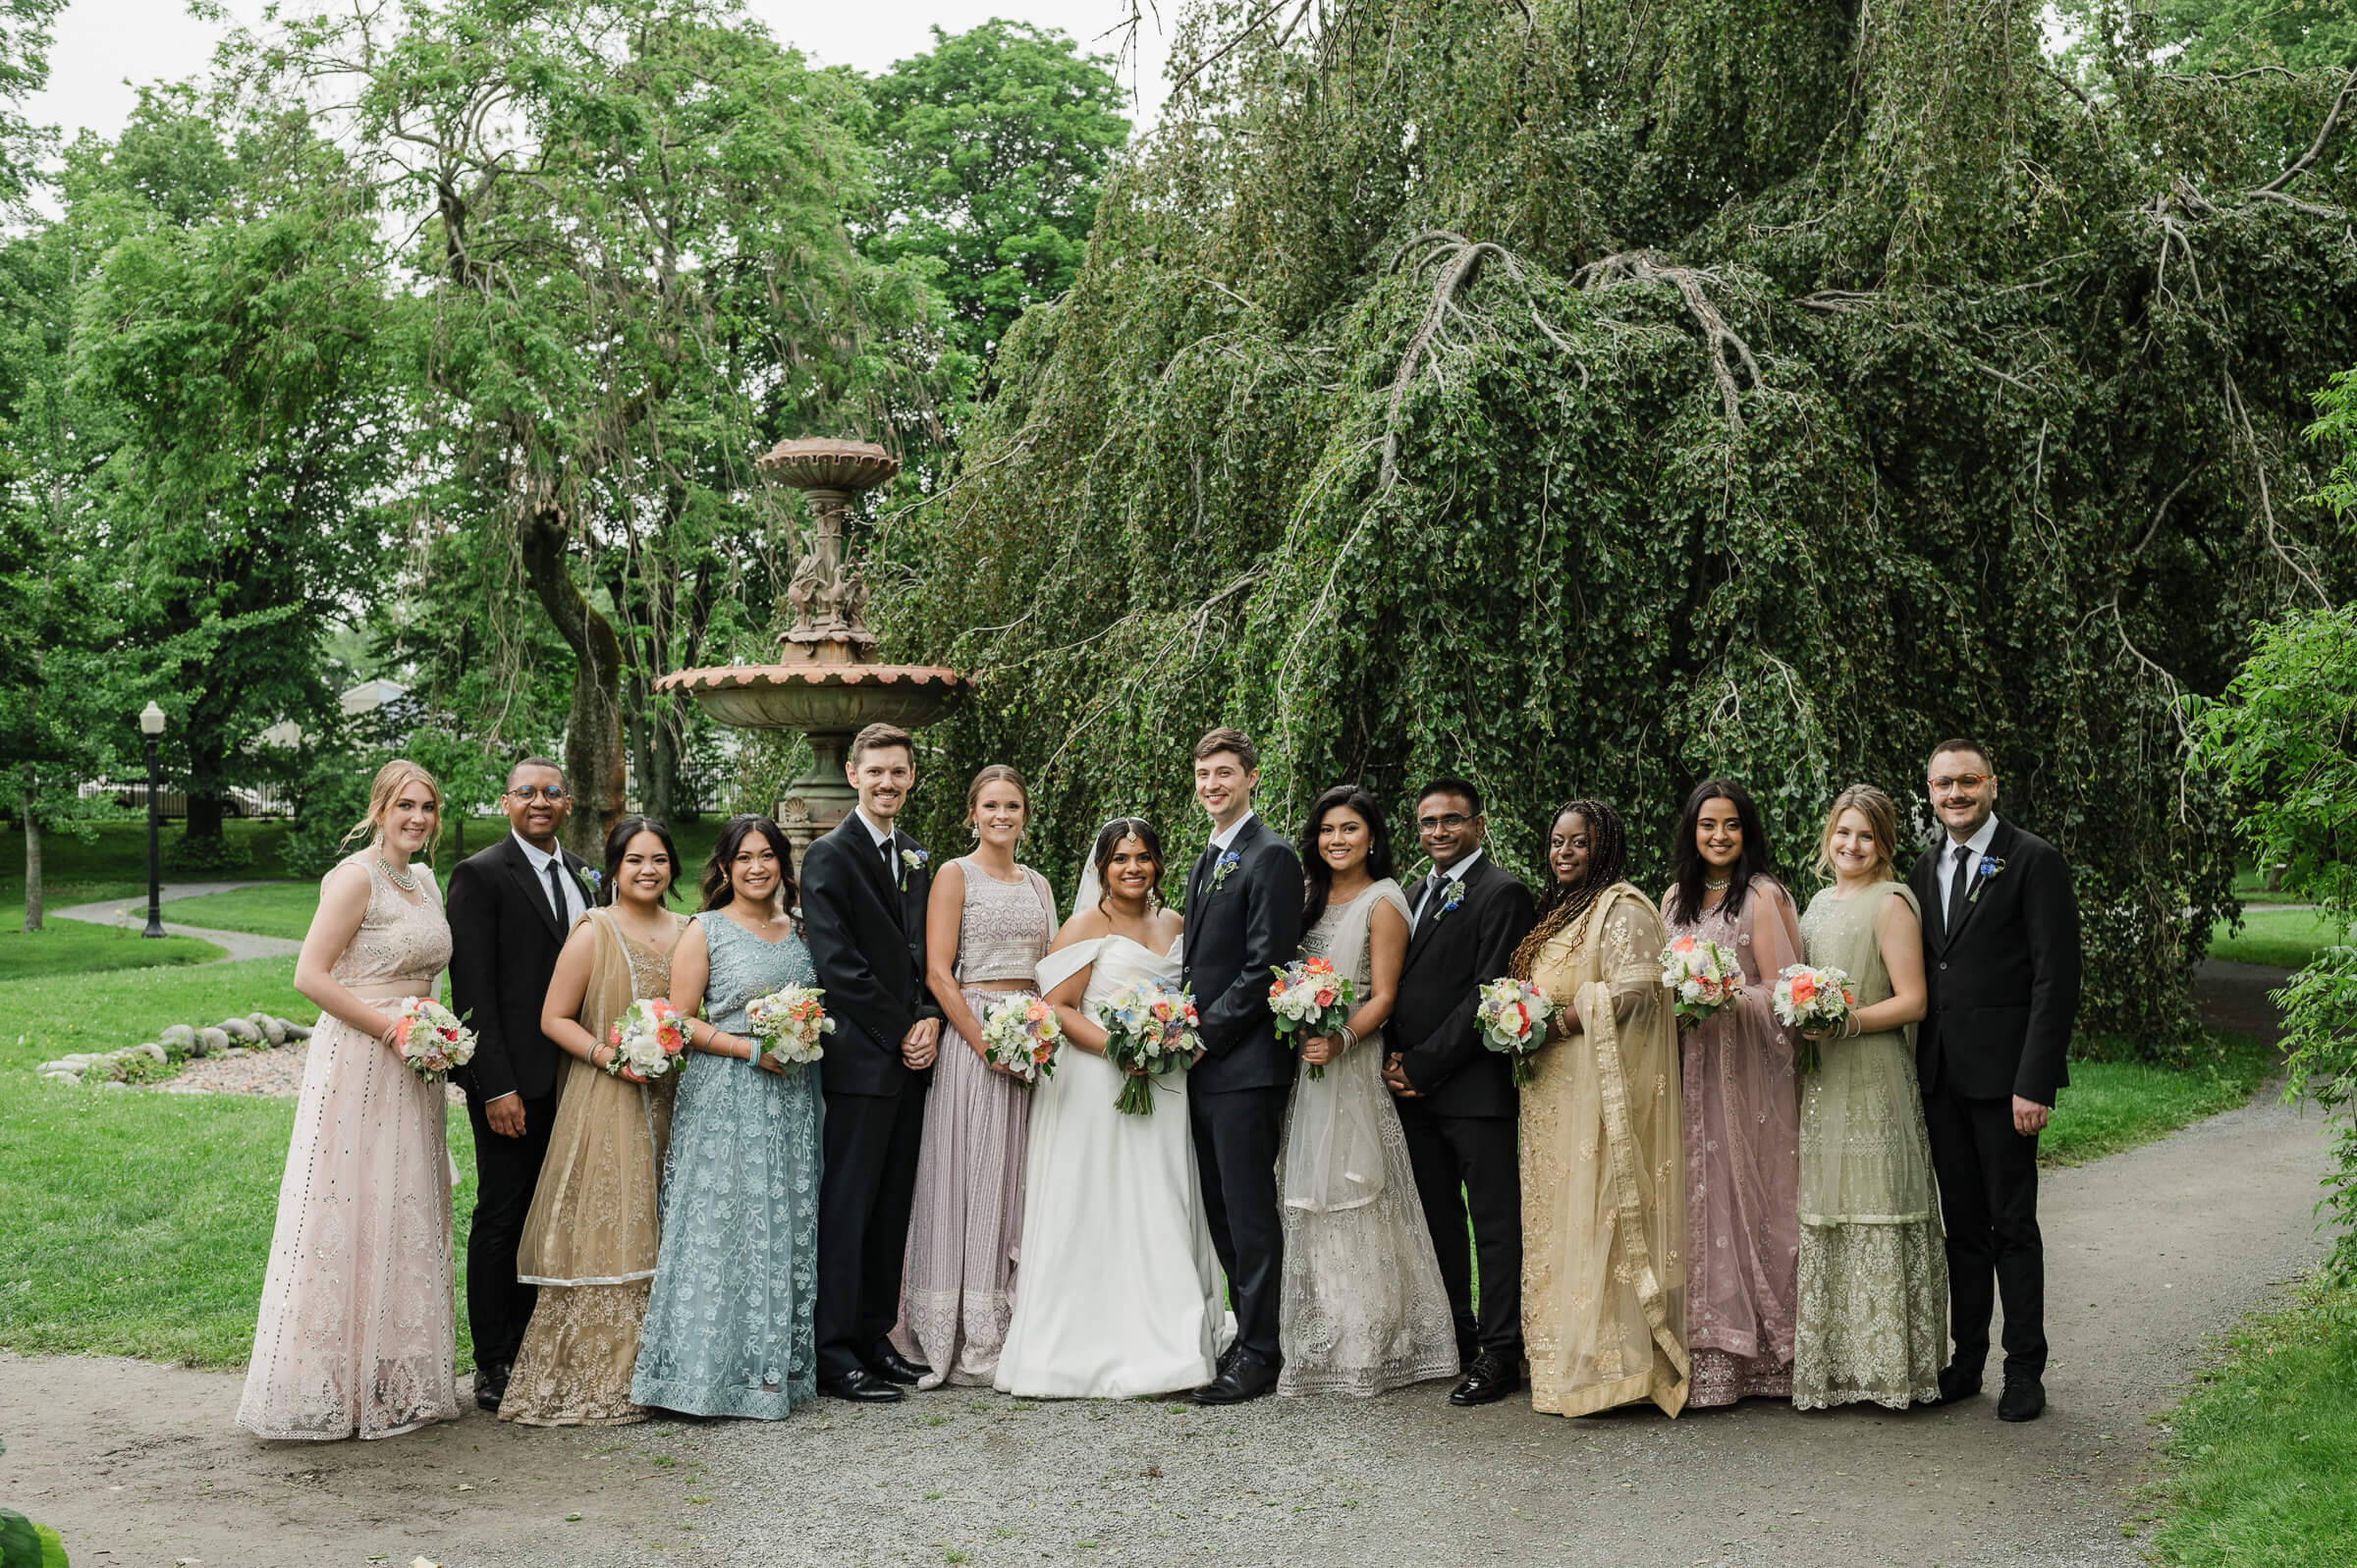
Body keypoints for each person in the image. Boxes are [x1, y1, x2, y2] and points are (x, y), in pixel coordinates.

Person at [238, 760, 460, 1440]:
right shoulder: (355, 877)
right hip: (361, 1061)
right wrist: (392, 1026)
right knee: (353, 1203)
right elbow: (310, 973)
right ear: (379, 807)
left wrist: (435, 1035)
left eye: (427, 806)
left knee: (405, 1203)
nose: (417, 817)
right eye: (405, 805)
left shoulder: (423, 880)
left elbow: (427, 972)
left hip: (414, 1066)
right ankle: (333, 1377)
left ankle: (391, 1372)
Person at [994, 820, 1225, 1398]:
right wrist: (1121, 1051)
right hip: (1098, 1086)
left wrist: (1162, 1044)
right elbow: (1059, 1006)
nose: (1133, 868)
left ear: (1158, 865)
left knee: (1160, 1197)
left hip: (1164, 1086)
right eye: (1121, 858)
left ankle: (1173, 1343)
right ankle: (1082, 1345)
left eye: (1144, 858)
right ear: (1102, 866)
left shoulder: (1175, 924)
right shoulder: (1085, 925)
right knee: (1099, 1201)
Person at [1909, 738, 2081, 1423]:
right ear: (1930, 790)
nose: (1957, 794)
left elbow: (2055, 979)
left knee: (2011, 1223)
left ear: (1991, 785)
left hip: (2008, 1080)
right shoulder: (1924, 869)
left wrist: (2034, 1081)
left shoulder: (2033, 861)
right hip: (1942, 1078)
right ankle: (1967, 1359)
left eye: (1968, 781)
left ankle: (2024, 1368)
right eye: (1944, 783)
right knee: (1964, 1230)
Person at [630, 816, 825, 1419]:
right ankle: (699, 1376)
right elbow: (679, 1021)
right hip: (727, 1092)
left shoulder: (798, 931)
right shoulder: (705, 930)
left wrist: (800, 1037)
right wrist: (750, 1049)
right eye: (744, 858)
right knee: (722, 1222)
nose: (757, 867)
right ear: (725, 868)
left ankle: (769, 1375)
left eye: (767, 856)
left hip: (791, 1094)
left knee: (782, 1219)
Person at [499, 817, 686, 1427]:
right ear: (613, 869)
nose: (648, 870)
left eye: (659, 860)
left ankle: (670, 1368)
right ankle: (605, 1373)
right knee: (616, 1221)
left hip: (677, 1096)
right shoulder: (594, 931)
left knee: (672, 1223)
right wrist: (616, 1058)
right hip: (608, 1095)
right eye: (634, 860)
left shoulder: (689, 932)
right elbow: (555, 1018)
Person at [1275, 784, 1457, 1397]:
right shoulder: (1308, 898)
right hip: (1311, 1062)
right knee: (1311, 1189)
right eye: (1327, 830)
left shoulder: (1384, 902)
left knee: (1359, 1185)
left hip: (1352, 1059)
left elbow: (1383, 995)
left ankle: (1372, 1334)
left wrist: (1341, 1042)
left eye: (1349, 829)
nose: (1336, 840)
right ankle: (1325, 1325)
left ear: (1372, 837)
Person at [1515, 799, 1688, 1419]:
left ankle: (1616, 1369)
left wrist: (1557, 1021)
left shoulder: (1622, 908)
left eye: (1578, 843)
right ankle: (1565, 1364)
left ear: (1604, 846)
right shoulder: (1561, 910)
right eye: (1557, 841)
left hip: (1596, 1093)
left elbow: (1638, 988)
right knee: (1557, 1223)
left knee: (1600, 1215)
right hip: (1548, 1097)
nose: (1564, 852)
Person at [893, 765, 1058, 1389]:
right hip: (974, 1038)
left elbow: (1050, 967)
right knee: (966, 1172)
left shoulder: (1040, 884)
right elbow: (938, 972)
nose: (1001, 816)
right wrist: (987, 1044)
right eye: (990, 805)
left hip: (1029, 1040)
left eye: (1012, 805)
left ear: (1025, 814)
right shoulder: (953, 875)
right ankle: (953, 1326)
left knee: (1017, 1173)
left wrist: (1037, 1034)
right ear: (972, 813)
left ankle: (1010, 1321)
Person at [445, 757, 600, 1413]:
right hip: (513, 1082)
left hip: (576, 1079)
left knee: (556, 1213)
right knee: (504, 1214)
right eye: (527, 792)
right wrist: (494, 1085)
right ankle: (494, 1360)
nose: (540, 801)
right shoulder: (480, 876)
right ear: (506, 801)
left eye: (552, 791)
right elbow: (473, 991)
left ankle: (539, 1341)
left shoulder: (584, 876)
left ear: (568, 802)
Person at [1791, 784, 1947, 1410]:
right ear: (1829, 834)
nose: (1851, 845)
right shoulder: (1816, 903)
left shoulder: (1891, 904)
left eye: (1866, 835)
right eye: (1843, 832)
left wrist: (1845, 1021)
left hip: (1873, 1073)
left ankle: (1891, 1367)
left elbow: (1913, 1000)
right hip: (1823, 1074)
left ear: (1883, 843)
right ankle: (1837, 1364)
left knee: (1877, 1199)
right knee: (1828, 1204)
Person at [800, 723, 943, 1403]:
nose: (887, 782)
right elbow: (839, 964)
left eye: (899, 771)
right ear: (854, 774)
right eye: (876, 771)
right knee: (850, 1203)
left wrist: (932, 1018)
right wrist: (903, 1026)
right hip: (860, 1060)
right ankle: (832, 1351)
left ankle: (873, 1334)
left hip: (913, 1062)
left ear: (912, 777)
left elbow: (928, 955)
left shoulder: (917, 855)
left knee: (892, 1205)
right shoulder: (830, 855)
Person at [1383, 777, 1536, 1406]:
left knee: (1495, 1223)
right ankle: (1459, 1336)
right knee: (1438, 1219)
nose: (1439, 832)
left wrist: (1423, 1065)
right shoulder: (1415, 893)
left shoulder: (1503, 894)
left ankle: (1503, 1352)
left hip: (1473, 1088)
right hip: (1412, 1092)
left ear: (1479, 824)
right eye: (1428, 823)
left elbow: (1487, 994)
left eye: (1451, 820)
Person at [1659, 778, 1805, 1408]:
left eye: (1732, 825)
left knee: (1754, 1196)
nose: (1719, 836)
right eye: (1707, 825)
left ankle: (1769, 1359)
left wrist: (1722, 993)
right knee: (1696, 1197)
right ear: (1691, 831)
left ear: (1748, 832)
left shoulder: (1762, 897)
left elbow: (1784, 991)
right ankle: (1704, 1355)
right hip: (1688, 1070)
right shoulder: (1673, 900)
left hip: (1747, 1076)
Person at [1178, 728, 1305, 1405]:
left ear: (1252, 777)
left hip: (1246, 1066)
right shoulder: (1210, 856)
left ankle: (1260, 1353)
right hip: (1206, 1066)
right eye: (1202, 774)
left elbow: (1265, 966)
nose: (1211, 785)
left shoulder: (1272, 856)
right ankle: (1248, 1333)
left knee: (1251, 1212)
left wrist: (1203, 1034)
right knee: (1224, 1210)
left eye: (1224, 773)